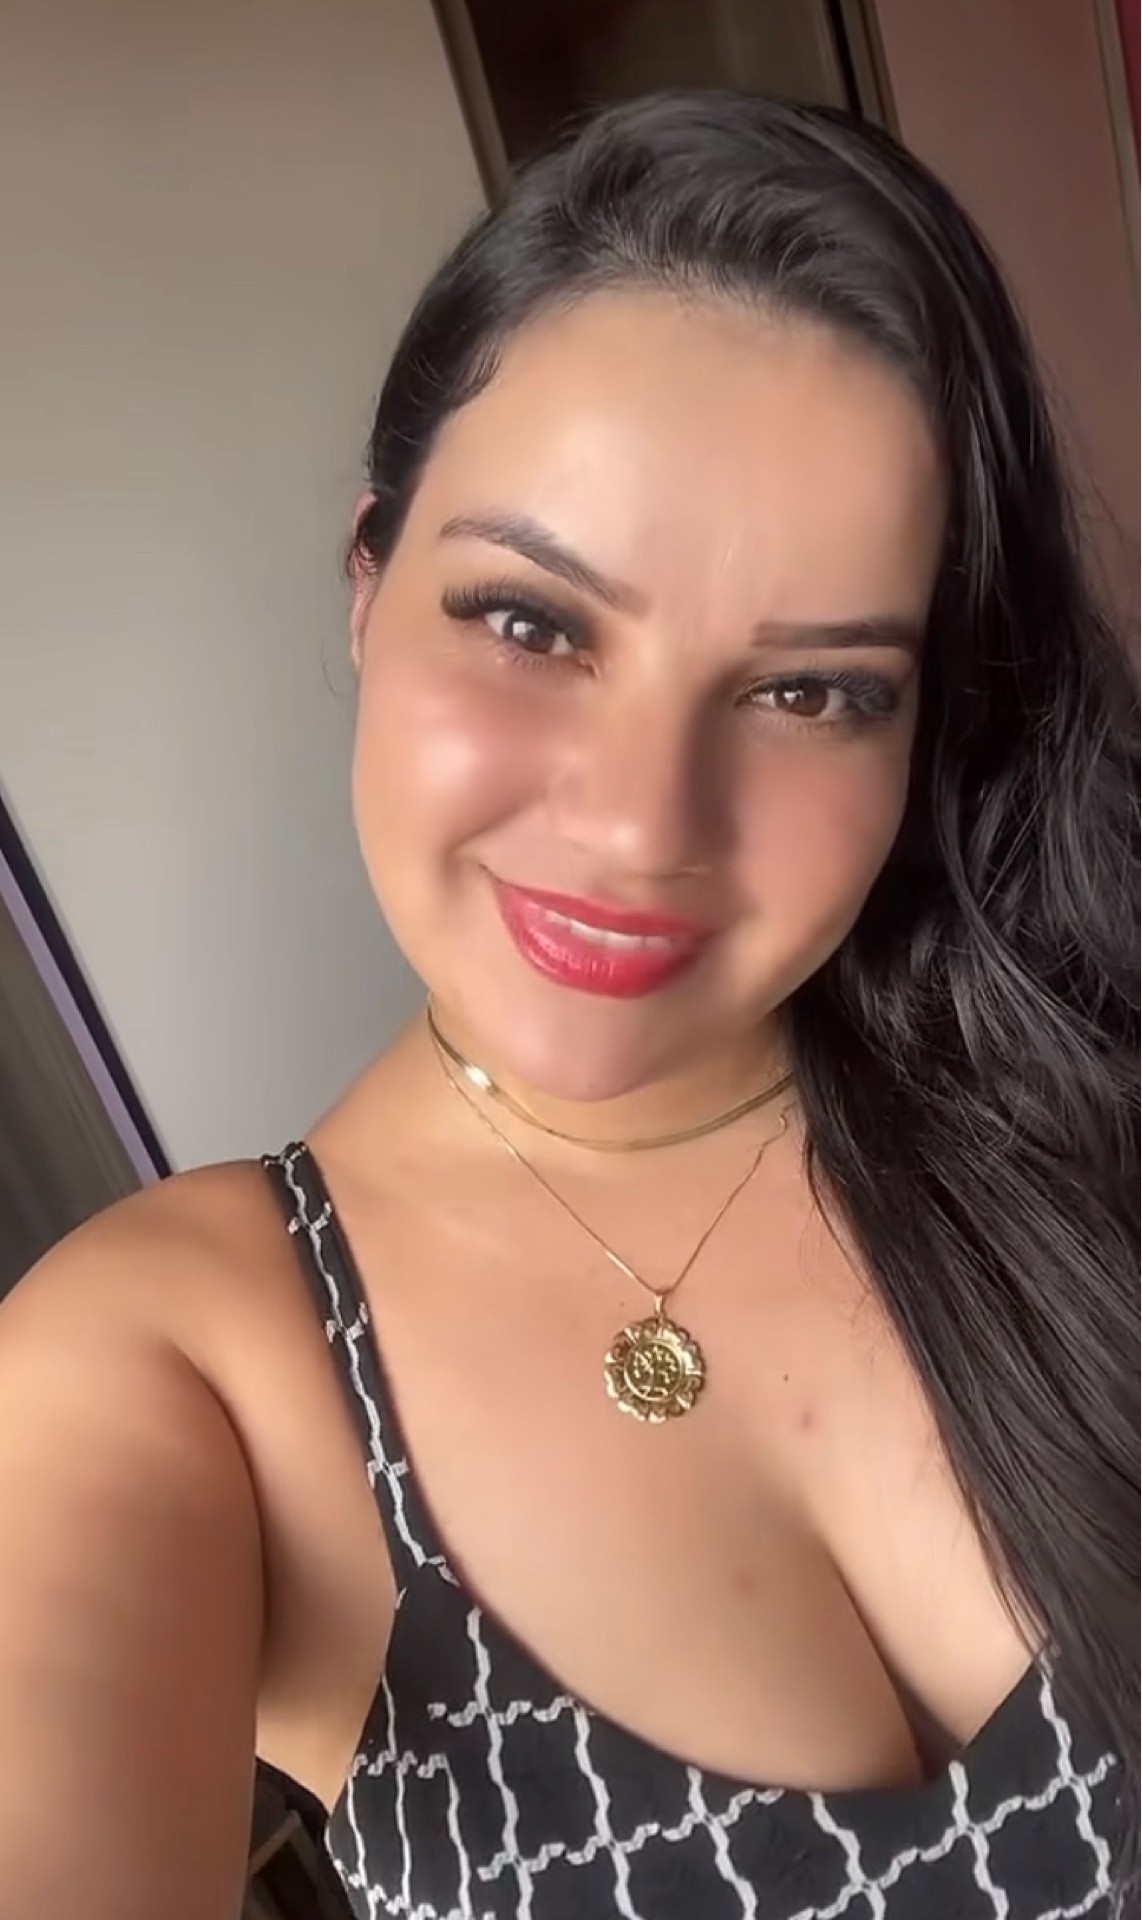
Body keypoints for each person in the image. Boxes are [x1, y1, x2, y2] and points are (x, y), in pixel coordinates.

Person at [0, 91, 1136, 1920]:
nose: (637, 826)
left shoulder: (1079, 1056)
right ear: (367, 585)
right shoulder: (183, 1372)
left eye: (812, 692)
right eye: (531, 623)